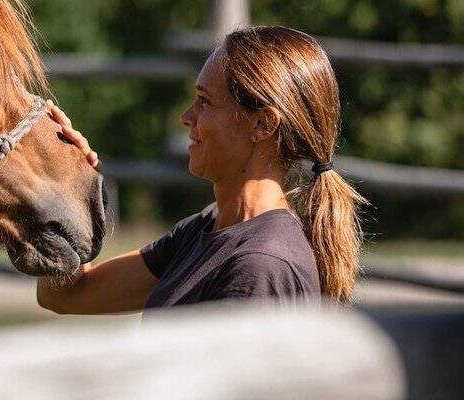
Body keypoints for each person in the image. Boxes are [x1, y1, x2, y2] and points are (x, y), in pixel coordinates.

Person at [38, 25, 366, 314]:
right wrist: (67, 184)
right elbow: (67, 296)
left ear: (262, 124)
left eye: (204, 101)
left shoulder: (259, 266)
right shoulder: (209, 228)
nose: (186, 117)